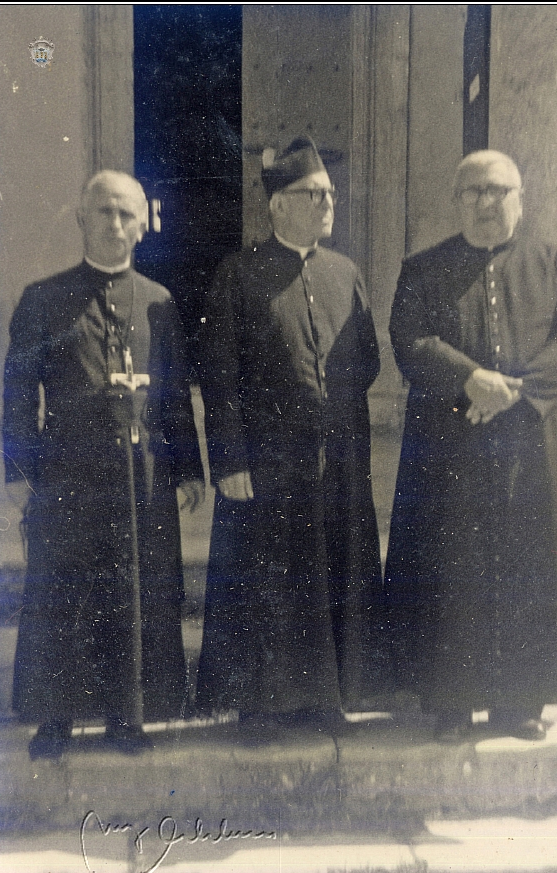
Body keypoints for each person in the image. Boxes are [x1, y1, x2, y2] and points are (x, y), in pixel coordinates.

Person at [384, 150, 557, 741]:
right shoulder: (423, 268)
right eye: (472, 191)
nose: (485, 201)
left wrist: (518, 392)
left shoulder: (556, 263)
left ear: (520, 200)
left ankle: (521, 703)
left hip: (530, 442)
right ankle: (451, 702)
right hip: (450, 446)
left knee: (528, 565)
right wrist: (469, 379)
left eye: (497, 190)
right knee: (452, 567)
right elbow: (409, 337)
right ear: (457, 202)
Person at [3, 170, 205, 758]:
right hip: (65, 474)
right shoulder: (43, 300)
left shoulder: (160, 302)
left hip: (142, 476)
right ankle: (55, 717)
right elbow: (18, 393)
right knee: (61, 591)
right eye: (103, 213)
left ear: (143, 224)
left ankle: (128, 715)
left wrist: (189, 468)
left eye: (126, 215)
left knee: (135, 590)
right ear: (82, 219)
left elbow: (172, 398)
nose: (115, 225)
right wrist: (17, 470)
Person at [196, 136, 383, 735]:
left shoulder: (346, 272)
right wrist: (229, 459)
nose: (327, 202)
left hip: (333, 462)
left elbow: (367, 360)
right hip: (265, 463)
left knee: (331, 572)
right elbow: (218, 373)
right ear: (277, 204)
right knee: (267, 580)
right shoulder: (240, 272)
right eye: (311, 194)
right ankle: (261, 706)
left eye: (329, 193)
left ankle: (327, 700)